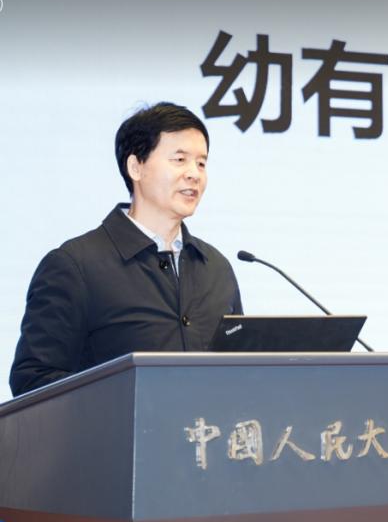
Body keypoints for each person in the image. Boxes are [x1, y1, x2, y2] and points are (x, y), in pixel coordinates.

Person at [9, 102, 242, 396]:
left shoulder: (217, 268)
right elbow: (33, 380)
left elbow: (241, 373)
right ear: (136, 167)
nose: (194, 174)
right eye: (180, 159)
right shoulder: (75, 266)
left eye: (201, 163)